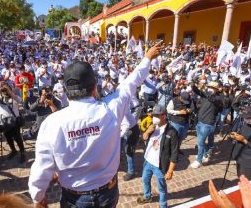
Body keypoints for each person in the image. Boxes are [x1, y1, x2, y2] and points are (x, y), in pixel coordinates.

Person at [28, 44, 161, 207]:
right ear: (94, 88)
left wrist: (38, 197)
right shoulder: (112, 109)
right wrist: (147, 58)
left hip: (74, 199)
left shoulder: (52, 123)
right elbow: (130, 83)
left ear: (65, 91)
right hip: (108, 193)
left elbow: (41, 167)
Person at [137, 105, 178, 208]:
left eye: (157, 115)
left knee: (161, 187)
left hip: (159, 165)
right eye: (153, 115)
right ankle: (147, 196)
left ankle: (163, 205)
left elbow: (174, 153)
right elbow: (144, 138)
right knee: (145, 179)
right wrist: (147, 131)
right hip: (147, 161)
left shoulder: (172, 132)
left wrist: (170, 171)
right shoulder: (153, 126)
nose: (154, 117)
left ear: (164, 116)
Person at [190, 81, 222, 168]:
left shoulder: (218, 98)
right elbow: (198, 91)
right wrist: (193, 85)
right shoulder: (205, 95)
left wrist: (205, 90)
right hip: (200, 122)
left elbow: (212, 99)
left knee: (200, 142)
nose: (210, 89)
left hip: (208, 124)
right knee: (201, 141)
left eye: (212, 88)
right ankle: (204, 155)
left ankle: (198, 160)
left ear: (216, 90)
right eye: (209, 87)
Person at [0, 83, 26, 163]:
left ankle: (22, 152)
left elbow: (19, 100)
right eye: (3, 88)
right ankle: (13, 150)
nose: (5, 90)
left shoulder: (14, 96)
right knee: (8, 137)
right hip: (4, 121)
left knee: (18, 138)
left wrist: (10, 92)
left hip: (14, 120)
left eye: (6, 89)